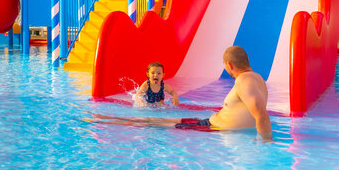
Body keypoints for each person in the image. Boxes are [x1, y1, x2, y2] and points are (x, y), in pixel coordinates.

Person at [96, 46, 273, 140]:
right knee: (154, 121)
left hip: (211, 127)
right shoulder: (258, 78)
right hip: (209, 124)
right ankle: (109, 120)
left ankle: (104, 120)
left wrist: (265, 144)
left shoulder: (243, 80)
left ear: (229, 65)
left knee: (152, 122)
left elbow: (261, 114)